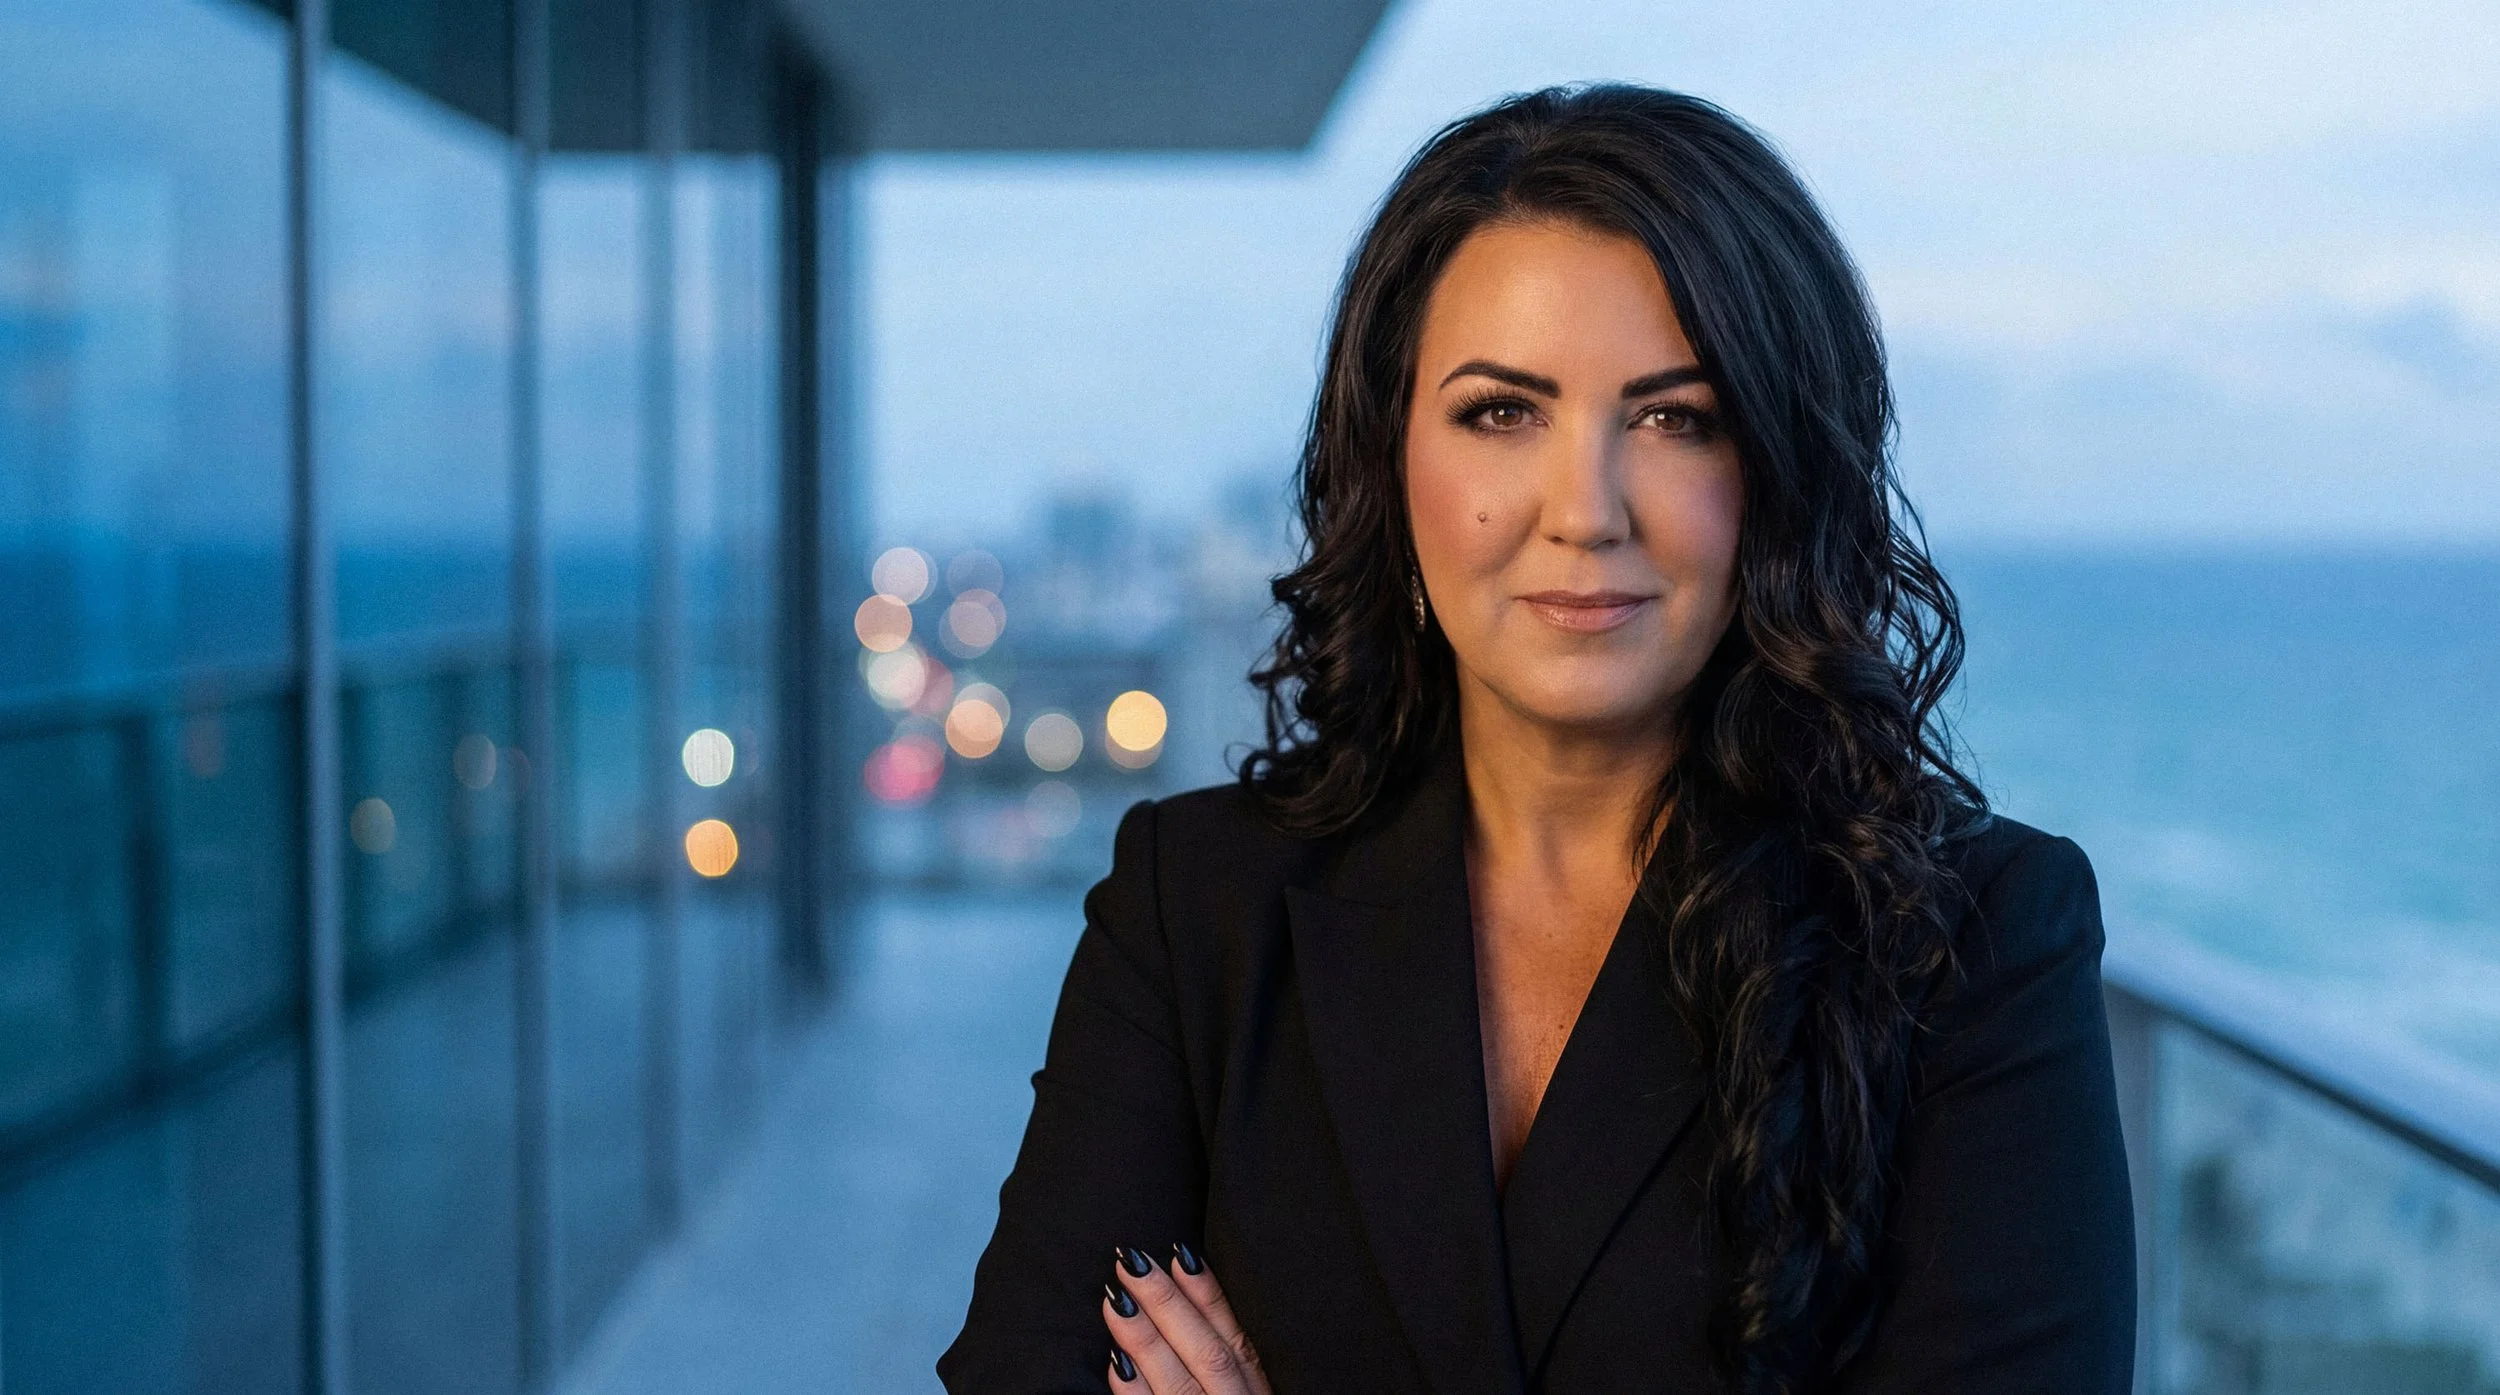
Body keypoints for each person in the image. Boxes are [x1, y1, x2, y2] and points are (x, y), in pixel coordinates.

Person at [938, 84, 2134, 1394]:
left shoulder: (1976, 940)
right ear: (1392, 458)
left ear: (1780, 474)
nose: (1584, 509)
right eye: (1502, 411)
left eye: (1678, 418)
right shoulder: (1197, 904)